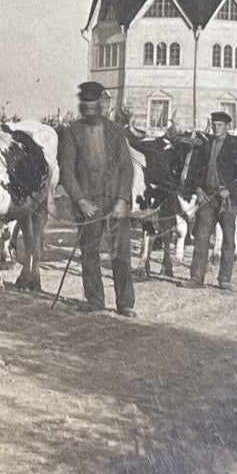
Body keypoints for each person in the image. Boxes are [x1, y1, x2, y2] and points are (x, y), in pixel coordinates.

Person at [58, 81, 136, 315]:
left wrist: (122, 200)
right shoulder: (72, 133)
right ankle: (95, 300)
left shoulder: (115, 131)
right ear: (82, 104)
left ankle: (125, 304)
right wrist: (80, 200)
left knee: (120, 254)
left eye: (94, 102)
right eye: (86, 102)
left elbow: (127, 168)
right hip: (89, 206)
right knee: (89, 253)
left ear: (100, 103)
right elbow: (67, 172)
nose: (89, 106)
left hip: (114, 203)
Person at [184, 110, 237, 290]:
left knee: (228, 240)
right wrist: (197, 188)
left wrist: (229, 190)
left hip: (227, 202)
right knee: (201, 238)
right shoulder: (205, 146)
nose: (216, 128)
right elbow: (195, 171)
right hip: (207, 198)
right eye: (214, 125)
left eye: (219, 125)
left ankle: (224, 279)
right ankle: (196, 278)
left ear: (227, 126)